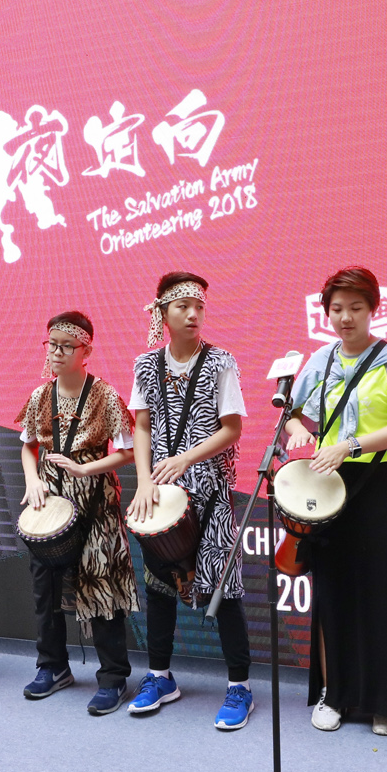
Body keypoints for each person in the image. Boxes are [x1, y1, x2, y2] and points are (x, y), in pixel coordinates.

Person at [285, 266, 387, 735]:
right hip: (325, 487)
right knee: (331, 591)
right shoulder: (319, 361)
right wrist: (295, 436)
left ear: (374, 310)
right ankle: (335, 694)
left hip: (377, 484)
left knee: (383, 592)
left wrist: (348, 446)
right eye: (336, 309)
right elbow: (293, 416)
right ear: (325, 311)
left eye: (355, 308)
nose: (345, 317)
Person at [126, 273, 254, 728]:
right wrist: (143, 481)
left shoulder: (221, 362)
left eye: (199, 306)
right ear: (162, 313)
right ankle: (160, 676)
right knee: (159, 584)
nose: (194, 314)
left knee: (224, 587)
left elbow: (232, 429)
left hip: (212, 490)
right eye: (182, 306)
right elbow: (141, 426)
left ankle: (239, 685)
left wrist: (184, 458)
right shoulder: (145, 365)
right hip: (160, 491)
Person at [18, 311, 136, 715]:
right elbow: (28, 445)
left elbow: (128, 451)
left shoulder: (105, 395)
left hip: (96, 501)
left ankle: (114, 677)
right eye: (51, 344)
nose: (56, 352)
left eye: (66, 346)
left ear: (87, 350)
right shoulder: (39, 396)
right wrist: (32, 479)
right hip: (50, 498)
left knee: (101, 585)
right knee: (43, 589)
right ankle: (52, 666)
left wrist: (86, 468)